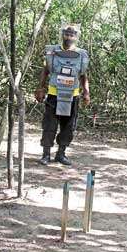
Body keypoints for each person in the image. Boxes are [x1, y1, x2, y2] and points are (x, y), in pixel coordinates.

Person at [34, 24, 90, 166]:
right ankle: (46, 154)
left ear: (76, 37)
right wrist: (40, 87)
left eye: (72, 35)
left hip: (73, 95)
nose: (69, 37)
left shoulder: (81, 55)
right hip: (54, 93)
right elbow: (46, 70)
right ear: (62, 34)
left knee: (68, 126)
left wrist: (86, 92)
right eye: (66, 34)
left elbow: (83, 75)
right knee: (49, 125)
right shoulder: (52, 52)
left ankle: (61, 153)